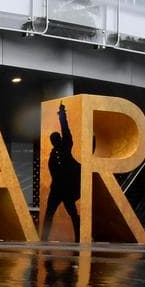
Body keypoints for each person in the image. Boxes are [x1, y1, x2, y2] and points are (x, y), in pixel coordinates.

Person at [42, 103, 81, 240]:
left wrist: (62, 114)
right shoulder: (53, 154)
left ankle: (79, 237)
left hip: (67, 189)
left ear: (59, 139)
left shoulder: (66, 146)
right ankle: (44, 238)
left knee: (73, 214)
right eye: (53, 140)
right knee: (49, 213)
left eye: (56, 139)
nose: (54, 141)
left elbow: (65, 129)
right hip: (56, 189)